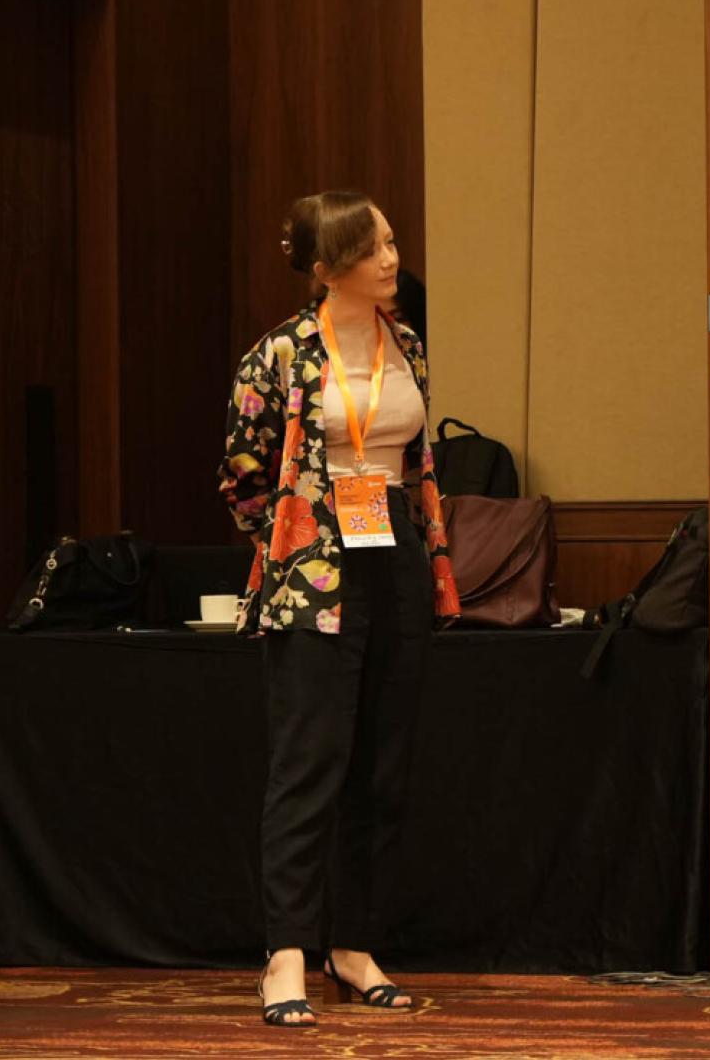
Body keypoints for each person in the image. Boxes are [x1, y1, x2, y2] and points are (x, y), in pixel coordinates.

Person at [217, 190, 460, 1027]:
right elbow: (244, 474)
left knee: (383, 763)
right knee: (308, 762)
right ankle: (286, 953)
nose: (393, 259)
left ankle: (352, 946)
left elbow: (414, 461)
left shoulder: (407, 344)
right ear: (328, 269)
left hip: (393, 544)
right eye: (374, 248)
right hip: (313, 562)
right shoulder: (279, 355)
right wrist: (287, 543)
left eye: (393, 242)